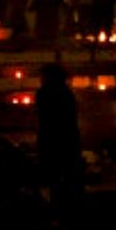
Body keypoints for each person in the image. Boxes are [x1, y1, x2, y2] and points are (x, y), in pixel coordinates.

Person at [36, 64, 83, 211]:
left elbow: (44, 117)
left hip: (52, 139)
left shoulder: (44, 93)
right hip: (68, 139)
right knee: (67, 177)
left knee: (55, 177)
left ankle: (58, 209)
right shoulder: (67, 93)